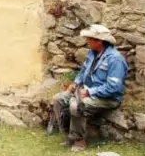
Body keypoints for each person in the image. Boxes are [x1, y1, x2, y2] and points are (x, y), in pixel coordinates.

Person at [51, 24, 127, 152]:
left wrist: (89, 92)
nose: (87, 41)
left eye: (89, 39)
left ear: (99, 41)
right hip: (84, 91)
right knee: (58, 99)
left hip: (108, 98)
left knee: (77, 106)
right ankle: (69, 136)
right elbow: (82, 72)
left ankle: (79, 141)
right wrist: (75, 83)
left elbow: (113, 87)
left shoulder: (115, 59)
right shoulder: (92, 53)